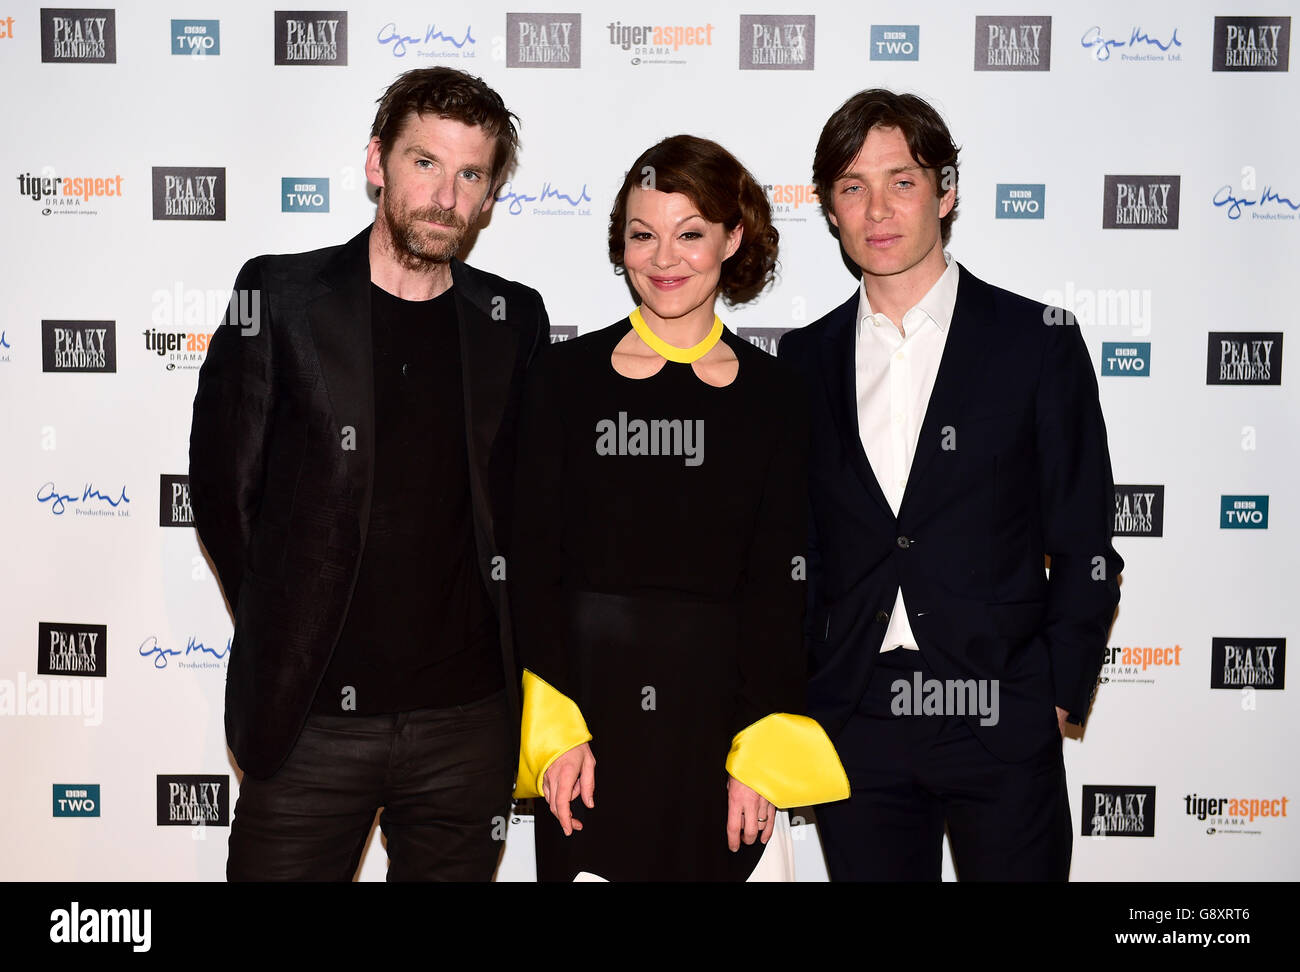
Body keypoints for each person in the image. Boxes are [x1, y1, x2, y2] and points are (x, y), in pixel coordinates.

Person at [188, 67, 550, 881]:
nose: (445, 196)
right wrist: (289, 610)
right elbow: (222, 493)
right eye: (425, 163)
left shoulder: (512, 319)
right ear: (376, 163)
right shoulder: (280, 296)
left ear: (490, 197)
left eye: (471, 175)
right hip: (311, 719)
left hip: (466, 726)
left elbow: (525, 512)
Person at [778, 89, 1123, 880]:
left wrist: (1057, 693)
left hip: (1000, 713)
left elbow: (1082, 539)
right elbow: (796, 549)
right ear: (829, 209)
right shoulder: (803, 359)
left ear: (948, 189)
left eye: (902, 180)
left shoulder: (1035, 343)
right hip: (857, 716)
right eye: (852, 187)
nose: (877, 209)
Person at [509, 135, 848, 882]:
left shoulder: (778, 394)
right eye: (643, 234)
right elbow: (530, 568)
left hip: (723, 728)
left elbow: (784, 584)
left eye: (690, 233)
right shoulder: (561, 380)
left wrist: (760, 751)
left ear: (733, 238)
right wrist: (558, 732)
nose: (665, 258)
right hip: (587, 722)